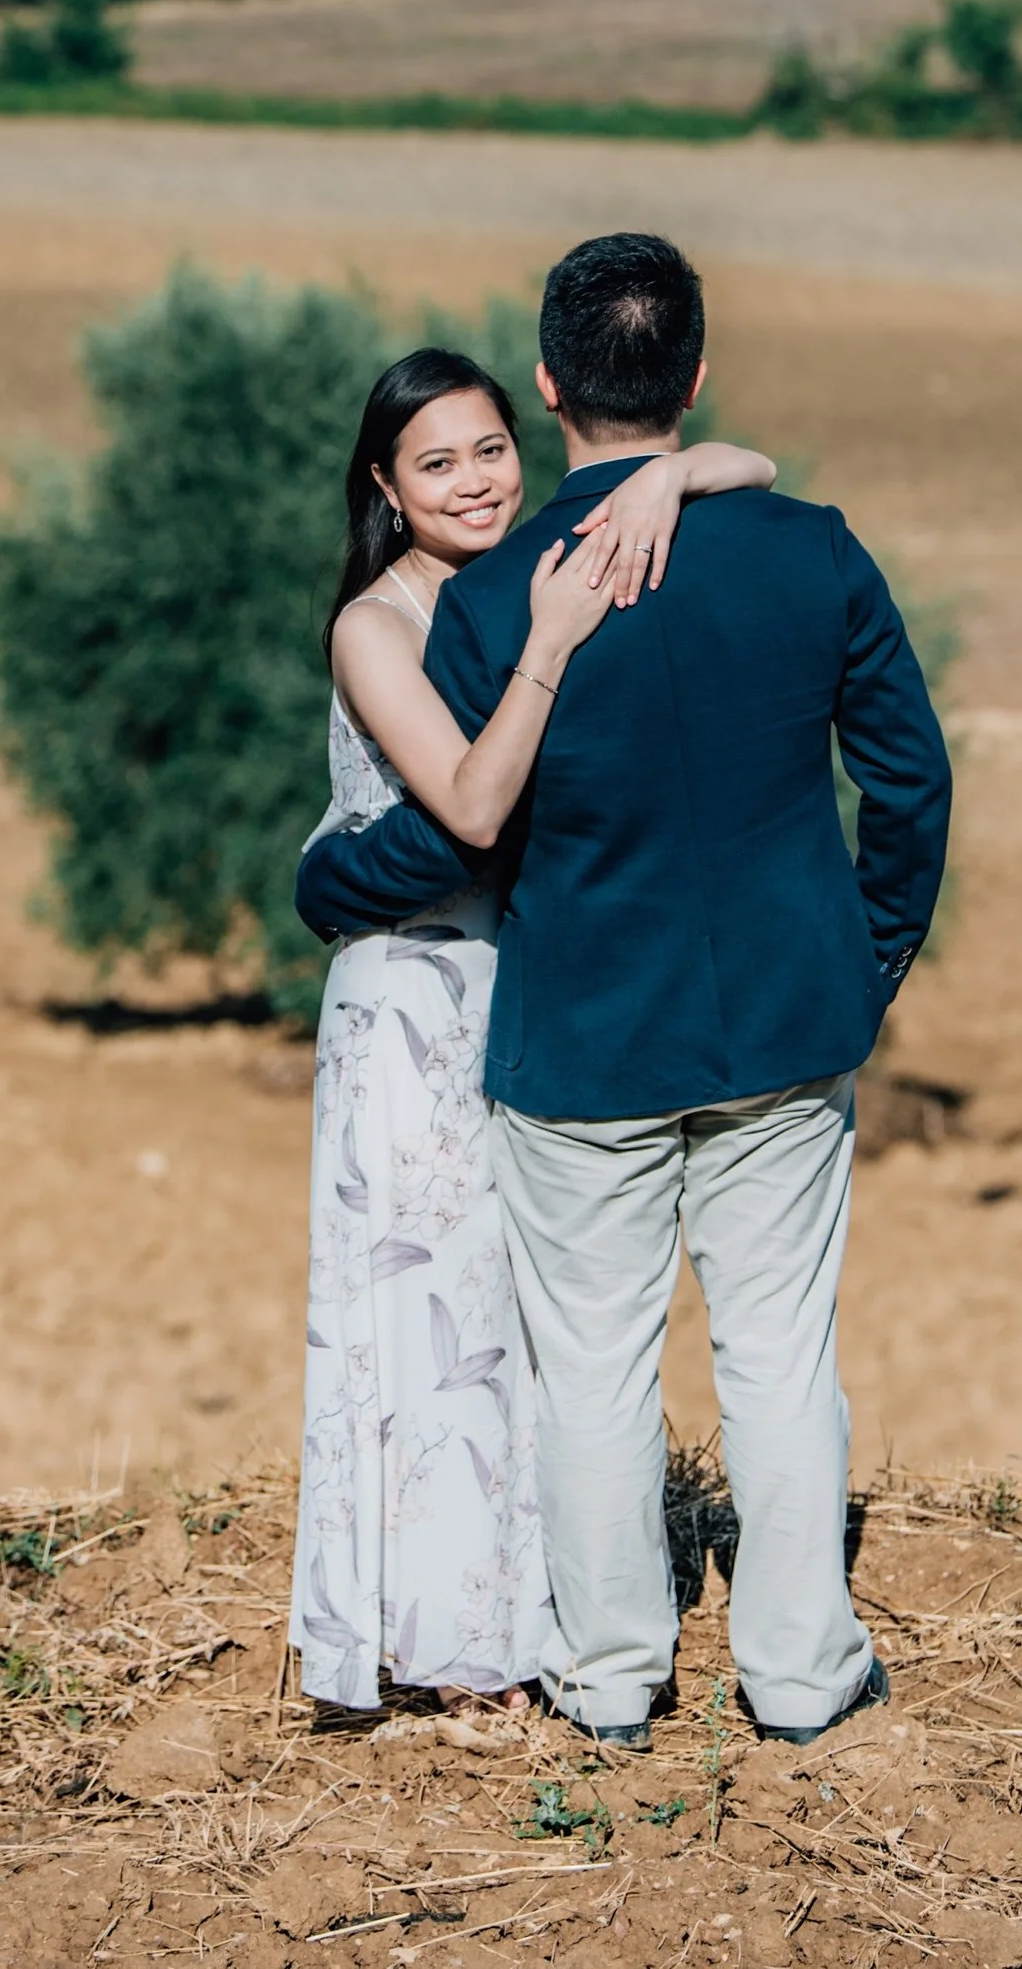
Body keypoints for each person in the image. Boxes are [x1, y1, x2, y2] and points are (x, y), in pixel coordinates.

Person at [297, 234, 953, 1754]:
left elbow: (462, 820)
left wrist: (326, 892)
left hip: (584, 1040)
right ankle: (798, 1675)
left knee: (591, 1371)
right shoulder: (814, 550)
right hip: (789, 1025)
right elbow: (909, 784)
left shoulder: (490, 606)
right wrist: (867, 963)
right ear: (698, 375)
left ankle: (609, 1680)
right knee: (781, 1352)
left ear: (544, 389)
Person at [289, 345, 777, 1726]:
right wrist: (554, 642)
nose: (473, 482)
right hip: (411, 1004)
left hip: (518, 985)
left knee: (513, 1317)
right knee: (426, 1321)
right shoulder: (375, 627)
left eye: (491, 448)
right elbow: (475, 807)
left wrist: (670, 473)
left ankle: (523, 1616)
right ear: (385, 486)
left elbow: (763, 470)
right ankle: (441, 1650)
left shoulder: (544, 556)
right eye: (434, 462)